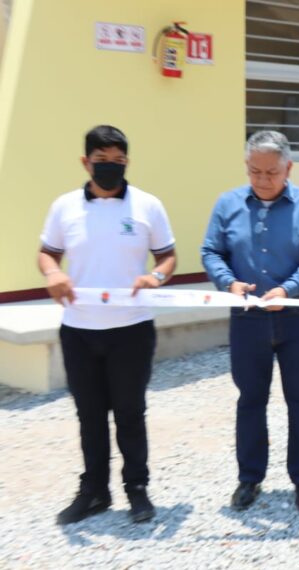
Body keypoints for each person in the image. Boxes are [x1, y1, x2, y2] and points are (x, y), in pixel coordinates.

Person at [40, 125, 176, 525]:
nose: (110, 168)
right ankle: (94, 492)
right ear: (86, 162)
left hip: (131, 329)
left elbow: (167, 257)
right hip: (79, 329)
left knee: (130, 413)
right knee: (90, 414)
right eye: (101, 161)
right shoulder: (64, 207)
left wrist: (157, 277)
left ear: (127, 162)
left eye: (118, 161)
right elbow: (47, 253)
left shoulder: (147, 205)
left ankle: (137, 489)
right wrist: (52, 274)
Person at [201, 131, 299, 513]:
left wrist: (288, 289)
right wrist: (229, 282)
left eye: (271, 172)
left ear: (288, 168)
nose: (262, 180)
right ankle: (249, 479)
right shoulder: (227, 204)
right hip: (247, 321)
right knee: (251, 399)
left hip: (297, 317)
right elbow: (211, 250)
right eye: (254, 171)